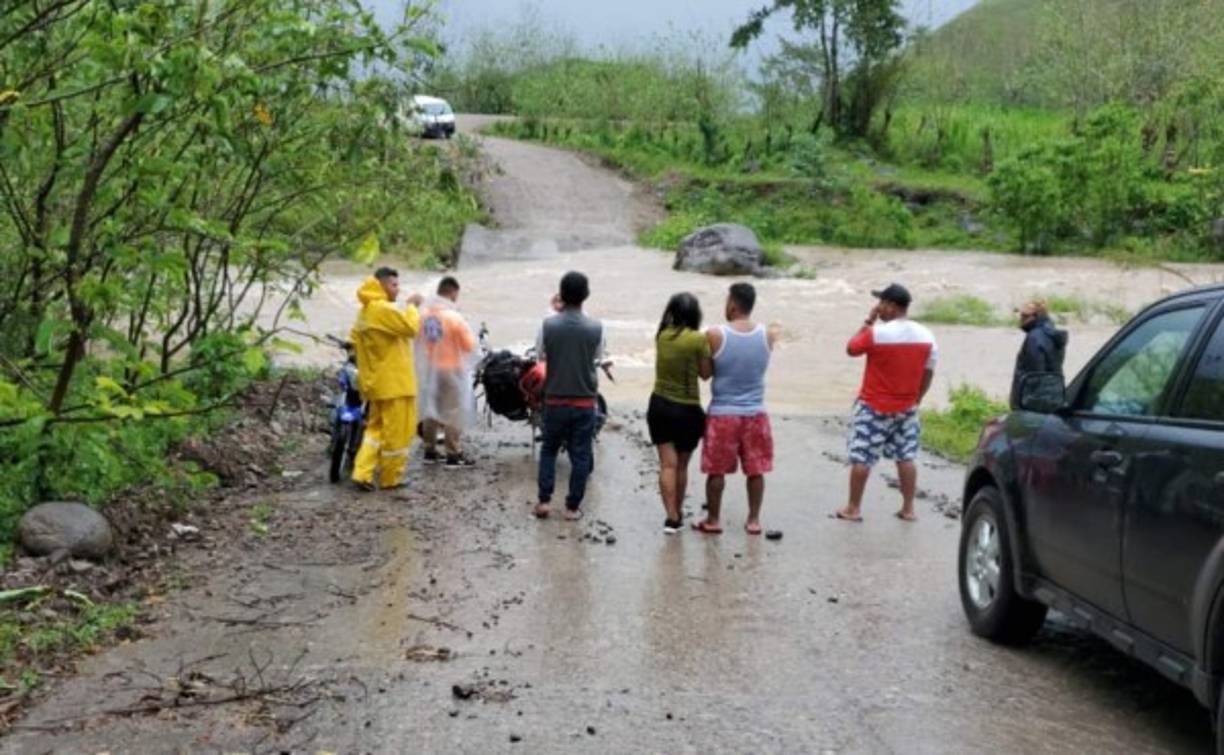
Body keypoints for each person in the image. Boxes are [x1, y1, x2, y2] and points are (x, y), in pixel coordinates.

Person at [837, 284, 938, 523]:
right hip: (907, 407)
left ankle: (853, 508)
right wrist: (917, 398)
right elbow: (929, 372)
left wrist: (868, 321)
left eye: (881, 303)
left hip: (874, 405)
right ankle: (908, 508)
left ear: (891, 306)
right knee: (905, 457)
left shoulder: (878, 333)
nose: (878, 307)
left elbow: (851, 348)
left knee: (862, 456)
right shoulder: (926, 335)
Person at [692, 282, 778, 536]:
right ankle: (753, 520)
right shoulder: (768, 334)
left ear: (732, 303)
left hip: (723, 414)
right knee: (756, 470)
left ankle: (714, 519)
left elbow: (705, 375)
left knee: (716, 471)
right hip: (756, 413)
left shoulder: (716, 334)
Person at [534, 272, 605, 521]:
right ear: (586, 296)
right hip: (585, 400)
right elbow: (598, 357)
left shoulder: (548, 325)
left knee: (549, 450)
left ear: (561, 295)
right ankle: (572, 507)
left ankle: (544, 502)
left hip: (554, 399)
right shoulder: (596, 327)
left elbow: (540, 355)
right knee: (581, 454)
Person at [350, 267, 423, 491]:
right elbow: (411, 328)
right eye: (394, 285)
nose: (398, 290)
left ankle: (361, 472)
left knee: (375, 431)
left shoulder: (363, 312)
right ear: (380, 285)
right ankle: (391, 478)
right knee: (398, 433)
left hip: (377, 383)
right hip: (395, 384)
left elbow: (354, 342)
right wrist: (412, 306)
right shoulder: (381, 309)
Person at [648, 293, 713, 534]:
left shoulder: (662, 336)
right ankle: (678, 509)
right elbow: (705, 374)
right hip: (687, 409)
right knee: (682, 466)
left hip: (660, 406)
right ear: (695, 314)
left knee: (667, 465)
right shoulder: (698, 339)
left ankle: (671, 517)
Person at [417, 276, 478, 468]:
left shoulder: (424, 315)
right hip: (451, 370)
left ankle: (429, 450)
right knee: (453, 410)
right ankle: (453, 453)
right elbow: (470, 346)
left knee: (430, 409)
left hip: (429, 370)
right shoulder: (454, 317)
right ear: (452, 292)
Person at [1010, 299, 1068, 409]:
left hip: (1034, 400)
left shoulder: (1035, 338)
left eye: (1024, 315)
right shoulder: (1052, 334)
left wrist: (1025, 401)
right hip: (1053, 394)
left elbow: (1034, 374)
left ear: (1035, 317)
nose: (1021, 319)